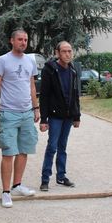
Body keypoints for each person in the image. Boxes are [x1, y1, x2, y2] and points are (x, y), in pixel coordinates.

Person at [0, 29, 40, 208]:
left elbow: (32, 87)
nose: (23, 42)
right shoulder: (2, 61)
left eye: (25, 39)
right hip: (8, 113)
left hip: (26, 113)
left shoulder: (30, 61)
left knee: (24, 150)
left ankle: (17, 185)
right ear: (11, 41)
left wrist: (36, 108)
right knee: (9, 152)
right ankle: (6, 192)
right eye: (19, 39)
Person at [38, 41, 81, 191]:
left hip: (68, 117)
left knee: (63, 147)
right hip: (55, 116)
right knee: (52, 147)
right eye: (64, 51)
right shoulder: (50, 70)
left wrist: (77, 116)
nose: (68, 54)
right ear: (57, 53)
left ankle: (61, 176)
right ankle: (45, 179)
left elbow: (75, 94)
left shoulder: (73, 70)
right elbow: (44, 96)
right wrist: (44, 119)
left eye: (70, 51)